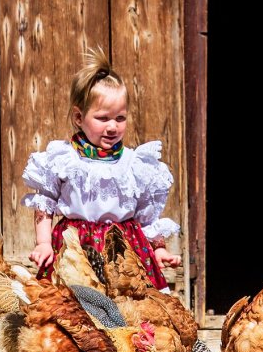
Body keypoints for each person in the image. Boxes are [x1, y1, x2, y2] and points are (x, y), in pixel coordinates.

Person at [21, 47, 182, 290]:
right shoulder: (65, 160)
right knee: (71, 314)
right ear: (79, 117)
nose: (112, 127)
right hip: (75, 250)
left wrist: (158, 249)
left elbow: (146, 217)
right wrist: (43, 243)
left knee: (133, 316)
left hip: (124, 251)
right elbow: (45, 202)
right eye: (103, 118)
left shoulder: (134, 164)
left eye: (120, 118)